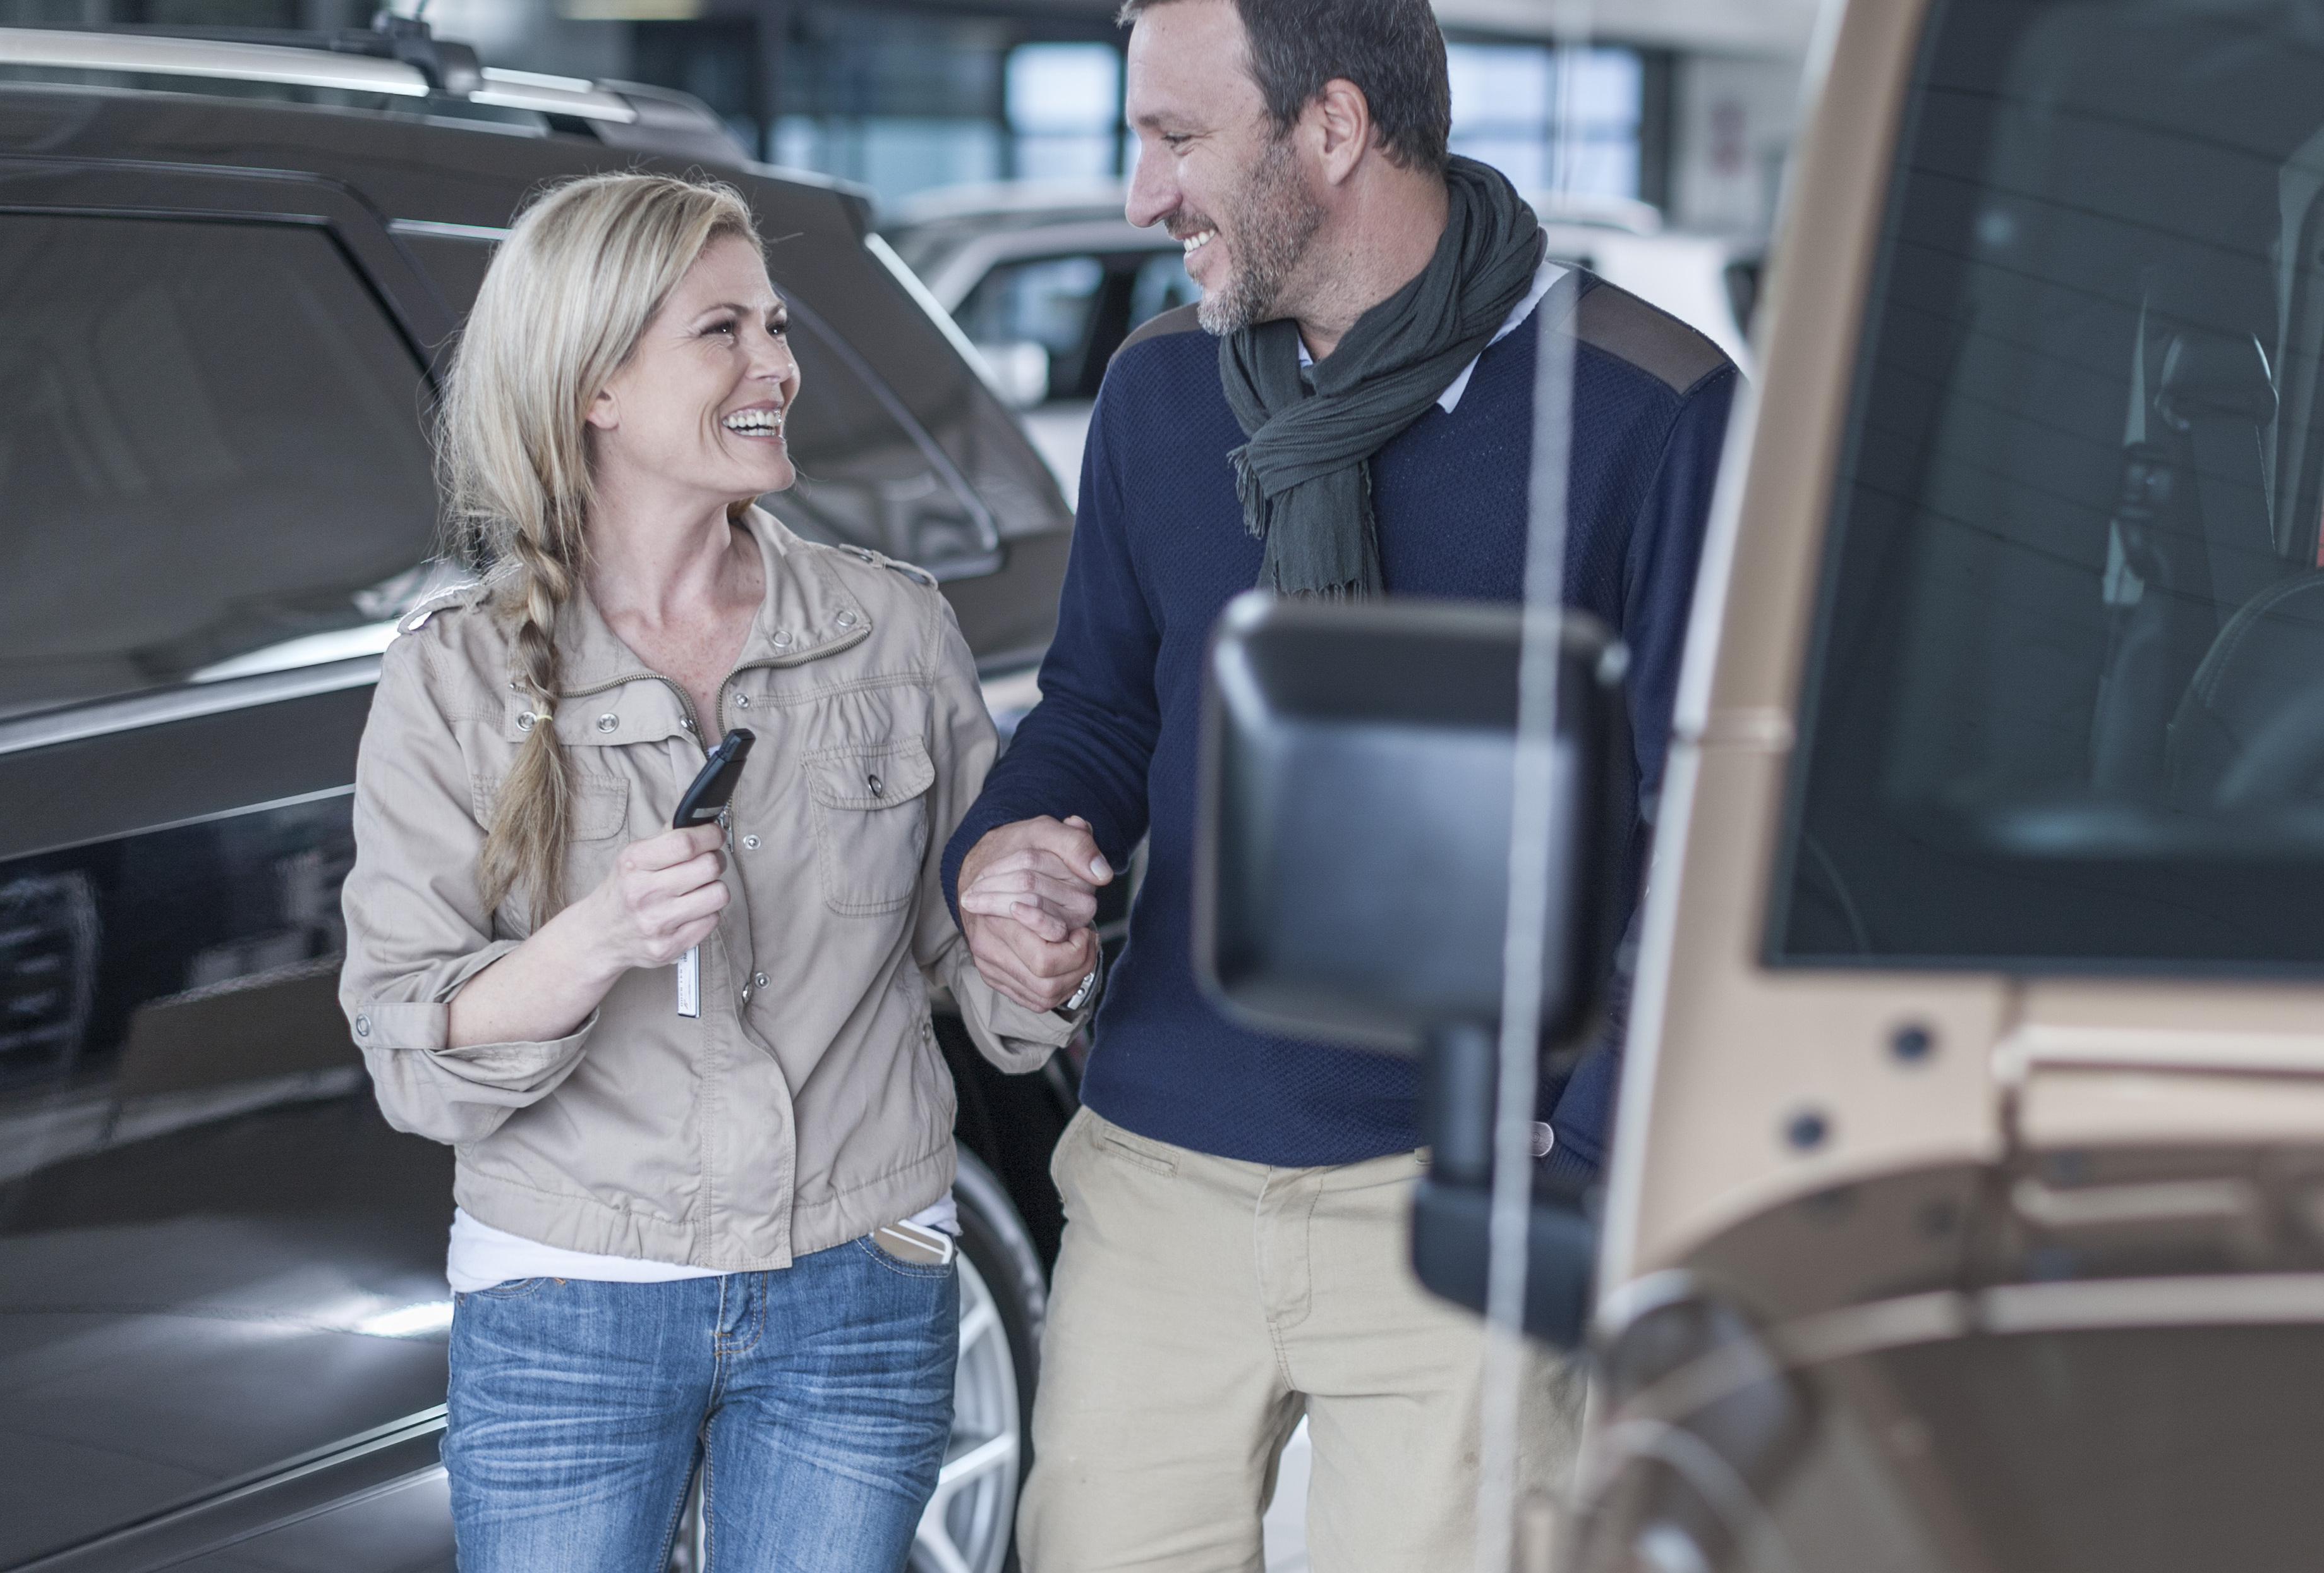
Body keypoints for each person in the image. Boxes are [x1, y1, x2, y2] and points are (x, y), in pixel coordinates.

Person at [943, 1, 1741, 1566]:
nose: (1138, 195)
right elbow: (1102, 705)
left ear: (1332, 129)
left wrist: (1576, 1160)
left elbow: (1702, 831)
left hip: (1467, 1194)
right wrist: (1017, 853)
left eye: (1176, 139)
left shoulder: (1648, 409)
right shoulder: (1160, 393)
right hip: (1161, 1167)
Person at [337, 171, 1083, 1572]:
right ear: (595, 387)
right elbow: (407, 1035)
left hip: (859, 1280)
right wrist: (599, 934)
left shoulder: (891, 631)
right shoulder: (454, 678)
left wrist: (1036, 938)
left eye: (778, 326)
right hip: (569, 1301)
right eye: (722, 332)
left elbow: (974, 971)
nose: (779, 367)